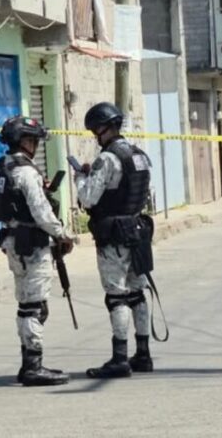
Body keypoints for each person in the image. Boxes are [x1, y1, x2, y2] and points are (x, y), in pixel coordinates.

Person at [0, 116, 75, 386]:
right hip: (31, 244)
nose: (35, 145)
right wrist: (61, 234)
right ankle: (33, 367)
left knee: (28, 304)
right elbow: (40, 211)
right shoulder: (25, 171)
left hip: (14, 240)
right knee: (33, 307)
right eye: (33, 140)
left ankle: (29, 362)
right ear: (24, 141)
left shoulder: (2, 166)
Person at [76, 102, 155, 379]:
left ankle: (120, 357)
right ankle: (143, 354)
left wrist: (80, 177)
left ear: (102, 128)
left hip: (114, 236)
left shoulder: (107, 159)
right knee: (138, 293)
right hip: (137, 231)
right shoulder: (139, 155)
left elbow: (88, 198)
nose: (95, 136)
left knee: (117, 297)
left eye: (95, 130)